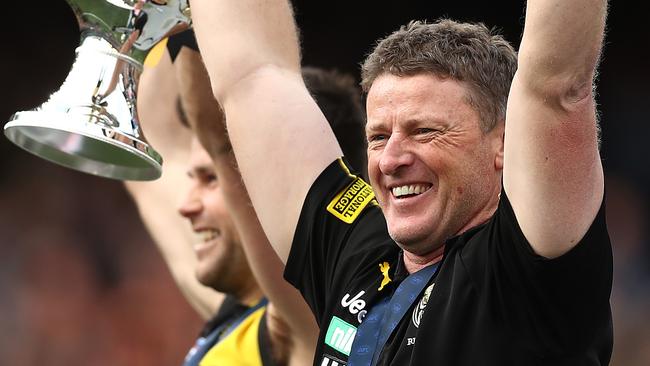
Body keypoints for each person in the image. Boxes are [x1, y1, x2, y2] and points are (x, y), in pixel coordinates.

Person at [188, 0, 612, 365]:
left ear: (505, 143)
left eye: (425, 131)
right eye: (378, 137)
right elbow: (253, 74)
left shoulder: (526, 266)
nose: (391, 160)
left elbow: (556, 85)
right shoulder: (356, 252)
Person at [126, 28, 367, 366]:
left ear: (277, 188)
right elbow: (149, 139)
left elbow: (218, 137)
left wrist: (193, 24)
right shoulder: (239, 317)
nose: (186, 205)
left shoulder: (314, 317)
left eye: (213, 179)